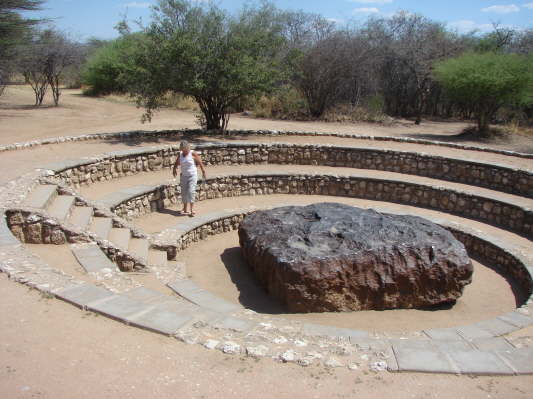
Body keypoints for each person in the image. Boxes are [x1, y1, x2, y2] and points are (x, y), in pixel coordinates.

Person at [172, 140, 206, 216]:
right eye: (182, 150)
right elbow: (177, 162)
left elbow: (200, 162)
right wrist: (174, 169)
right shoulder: (180, 154)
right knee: (184, 193)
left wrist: (203, 171)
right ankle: (185, 208)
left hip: (192, 176)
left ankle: (191, 209)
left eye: (185, 150)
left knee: (191, 191)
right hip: (183, 176)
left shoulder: (192, 153)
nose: (184, 151)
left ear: (187, 148)